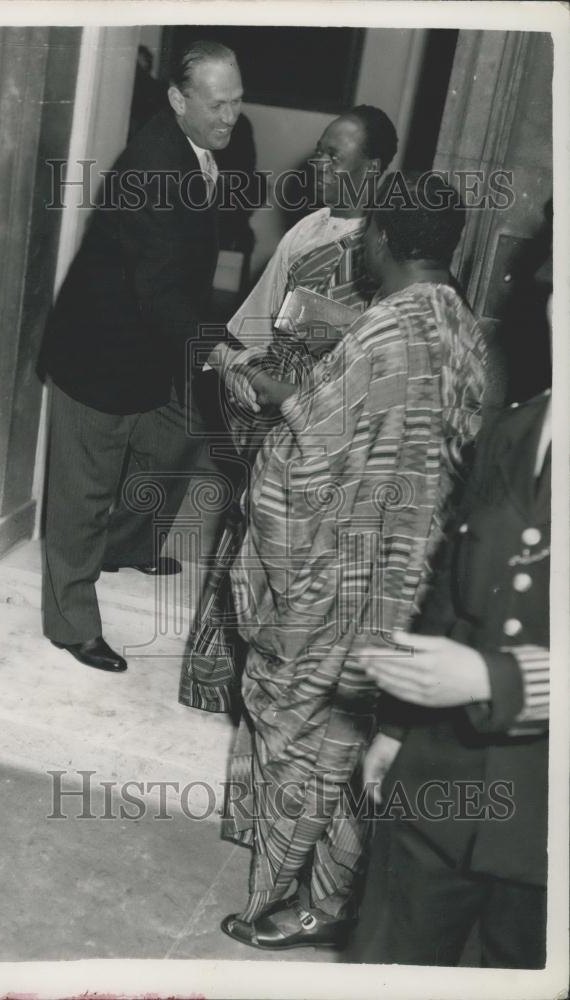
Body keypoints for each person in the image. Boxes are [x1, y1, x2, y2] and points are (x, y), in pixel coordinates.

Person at [215, 172, 490, 950]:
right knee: (357, 731)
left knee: (299, 725)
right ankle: (332, 895)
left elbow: (305, 460)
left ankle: (285, 900)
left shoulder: (384, 331)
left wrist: (269, 395)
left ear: (388, 241)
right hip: (413, 576)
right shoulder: (457, 322)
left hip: (343, 578)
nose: (358, 239)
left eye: (366, 229)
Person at [345, 267, 552, 969]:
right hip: (444, 774)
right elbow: (450, 589)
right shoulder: (519, 429)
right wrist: (400, 727)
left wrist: (498, 681)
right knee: (386, 964)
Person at [180, 105, 398, 713]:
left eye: (335, 156)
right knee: (246, 540)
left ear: (374, 168)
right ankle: (218, 685)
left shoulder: (388, 247)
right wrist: (239, 370)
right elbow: (256, 318)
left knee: (294, 572)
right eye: (320, 153)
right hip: (270, 420)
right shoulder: (308, 229)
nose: (320, 165)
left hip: (328, 434)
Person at [38, 41, 243, 674]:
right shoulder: (155, 164)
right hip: (99, 353)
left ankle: (125, 545)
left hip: (147, 342)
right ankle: (70, 622)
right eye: (217, 104)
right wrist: (225, 356)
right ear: (179, 101)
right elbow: (158, 289)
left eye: (237, 102)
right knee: (84, 493)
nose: (230, 117)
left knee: (178, 435)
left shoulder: (195, 147)